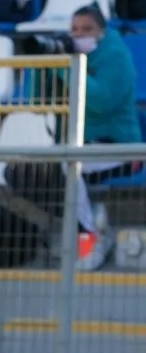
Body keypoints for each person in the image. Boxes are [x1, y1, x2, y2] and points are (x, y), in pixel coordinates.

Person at [8, 4, 142, 271]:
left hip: (120, 148)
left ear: (102, 31)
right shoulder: (69, 57)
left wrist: (68, 67)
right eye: (75, 29)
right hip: (77, 146)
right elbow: (38, 103)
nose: (79, 35)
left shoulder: (116, 55)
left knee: (69, 164)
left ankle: (89, 236)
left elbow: (101, 102)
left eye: (87, 29)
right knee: (18, 173)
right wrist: (42, 65)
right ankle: (91, 218)